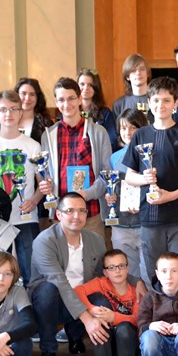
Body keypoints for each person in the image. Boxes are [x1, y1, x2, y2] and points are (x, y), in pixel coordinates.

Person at [122, 76, 178, 288]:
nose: (161, 105)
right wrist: (144, 179)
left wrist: (172, 195)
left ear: (175, 103)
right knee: (155, 276)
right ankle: (157, 311)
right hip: (150, 217)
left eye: (167, 100)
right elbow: (129, 176)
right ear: (149, 103)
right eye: (156, 100)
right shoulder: (140, 135)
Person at [26, 192, 108, 356]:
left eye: (82, 211)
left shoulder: (96, 240)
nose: (76, 216)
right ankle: (48, 350)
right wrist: (87, 319)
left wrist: (136, 282)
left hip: (79, 295)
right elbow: (59, 282)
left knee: (101, 298)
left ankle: (78, 338)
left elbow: (103, 274)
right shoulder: (44, 241)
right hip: (50, 301)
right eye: (70, 211)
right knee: (47, 290)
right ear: (59, 214)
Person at [0, 90, 48, 284]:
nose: (9, 114)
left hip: (26, 217)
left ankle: (31, 302)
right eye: (3, 110)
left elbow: (42, 182)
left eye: (14, 109)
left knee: (31, 272)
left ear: (21, 112)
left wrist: (34, 200)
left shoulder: (33, 146)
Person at [40, 77, 111, 237]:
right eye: (61, 100)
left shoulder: (98, 133)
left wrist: (86, 194)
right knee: (62, 254)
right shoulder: (48, 136)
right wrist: (47, 185)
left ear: (80, 99)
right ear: (56, 102)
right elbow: (46, 173)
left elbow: (106, 173)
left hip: (91, 212)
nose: (67, 104)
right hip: (61, 215)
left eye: (71, 98)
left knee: (94, 253)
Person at [75, 249, 139, 356]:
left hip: (130, 344)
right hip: (109, 343)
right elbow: (77, 291)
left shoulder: (135, 291)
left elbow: (137, 320)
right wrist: (90, 309)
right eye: (111, 267)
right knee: (98, 326)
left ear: (127, 268)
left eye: (121, 266)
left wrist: (114, 317)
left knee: (124, 328)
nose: (117, 271)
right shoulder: (101, 283)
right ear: (105, 272)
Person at [107, 109, 149, 282]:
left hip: (145, 224)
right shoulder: (114, 158)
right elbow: (112, 187)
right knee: (128, 275)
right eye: (124, 128)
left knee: (148, 272)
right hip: (122, 225)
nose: (128, 132)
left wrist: (142, 203)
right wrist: (110, 197)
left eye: (133, 127)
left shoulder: (149, 155)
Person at [78, 68, 119, 150]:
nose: (86, 88)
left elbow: (112, 141)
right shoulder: (71, 113)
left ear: (96, 88)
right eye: (82, 84)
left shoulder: (105, 113)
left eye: (90, 85)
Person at [112, 53, 153, 121]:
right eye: (133, 70)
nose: (138, 73)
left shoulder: (158, 101)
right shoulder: (119, 105)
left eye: (142, 69)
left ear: (147, 73)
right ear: (127, 76)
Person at [14, 77, 54, 144]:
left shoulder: (46, 124)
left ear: (37, 98)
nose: (27, 98)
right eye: (23, 93)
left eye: (32, 94)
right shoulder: (6, 119)